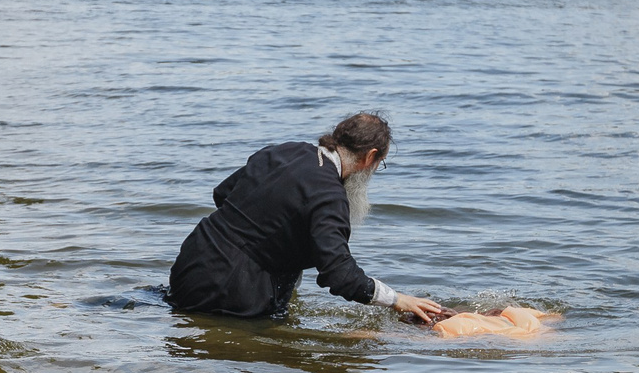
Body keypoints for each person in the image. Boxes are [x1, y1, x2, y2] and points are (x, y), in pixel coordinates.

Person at [168, 113, 449, 324]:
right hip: (230, 292)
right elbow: (339, 275)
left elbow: (223, 195)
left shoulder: (283, 151)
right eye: (380, 164)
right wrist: (397, 299)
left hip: (189, 265)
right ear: (370, 157)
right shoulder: (329, 196)